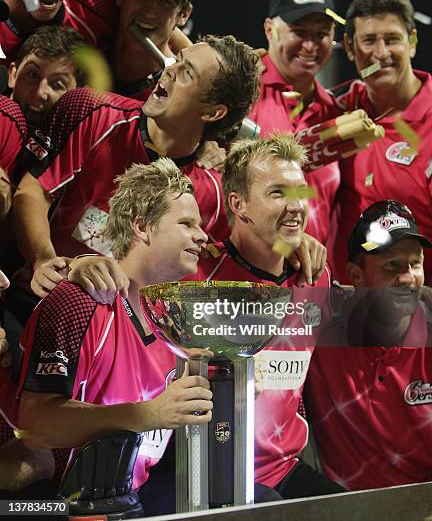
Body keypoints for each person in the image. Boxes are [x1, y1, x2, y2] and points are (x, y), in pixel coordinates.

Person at [11, 34, 259, 304]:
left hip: (121, 336)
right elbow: (32, 190)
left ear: (212, 113)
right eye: (177, 61)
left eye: (186, 72)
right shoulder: (95, 113)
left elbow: (248, 251)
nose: (168, 70)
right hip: (34, 300)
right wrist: (44, 260)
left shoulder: (213, 193)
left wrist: (294, 242)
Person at [16, 159, 212, 501]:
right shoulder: (80, 300)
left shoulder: (174, 319)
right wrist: (149, 414)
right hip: (63, 504)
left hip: (131, 495)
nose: (202, 235)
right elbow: (36, 425)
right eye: (186, 223)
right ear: (142, 227)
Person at [191, 135, 344, 499]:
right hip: (204, 469)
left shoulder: (315, 276)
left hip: (282, 468)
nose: (295, 207)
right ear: (238, 203)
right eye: (277, 193)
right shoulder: (195, 274)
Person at [305, 200, 432, 491]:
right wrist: (293, 243)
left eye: (416, 263)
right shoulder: (322, 329)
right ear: (356, 275)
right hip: (344, 508)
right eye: (392, 266)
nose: (408, 278)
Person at [328, 0, 432, 283]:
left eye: (393, 39)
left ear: (411, 43)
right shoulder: (336, 110)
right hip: (346, 310)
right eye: (369, 40)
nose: (381, 54)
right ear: (349, 47)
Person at [248, 0, 341, 244]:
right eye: (298, 32)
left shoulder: (334, 111)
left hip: (315, 279)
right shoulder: (242, 92)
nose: (310, 46)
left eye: (321, 34)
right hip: (247, 276)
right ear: (269, 30)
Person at [112, 0, 194, 102]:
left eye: (166, 1)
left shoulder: (178, 97)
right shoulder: (89, 35)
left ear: (184, 15)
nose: (150, 11)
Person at [7, 25, 87, 132]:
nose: (40, 93)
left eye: (57, 85)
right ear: (13, 75)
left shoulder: (75, 144)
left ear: (76, 97)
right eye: (33, 75)